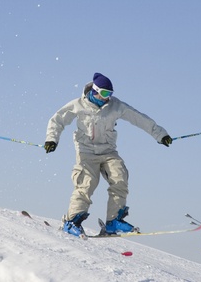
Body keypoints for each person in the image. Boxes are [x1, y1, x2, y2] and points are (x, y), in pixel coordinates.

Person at [44, 73, 172, 237]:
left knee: (119, 177)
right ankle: (71, 221)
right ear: (95, 91)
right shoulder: (78, 104)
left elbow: (138, 118)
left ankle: (113, 221)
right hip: (86, 152)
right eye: (104, 94)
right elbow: (57, 120)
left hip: (108, 151)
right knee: (87, 183)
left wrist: (160, 134)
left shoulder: (115, 106)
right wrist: (52, 139)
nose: (107, 98)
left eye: (110, 94)